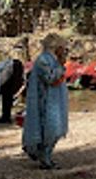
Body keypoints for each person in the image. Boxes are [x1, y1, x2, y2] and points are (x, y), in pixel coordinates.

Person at [22, 33, 70, 170]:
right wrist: (61, 65)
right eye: (62, 47)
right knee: (48, 130)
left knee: (53, 130)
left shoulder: (51, 59)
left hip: (53, 100)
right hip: (46, 101)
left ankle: (46, 156)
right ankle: (44, 158)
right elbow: (50, 78)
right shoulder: (44, 60)